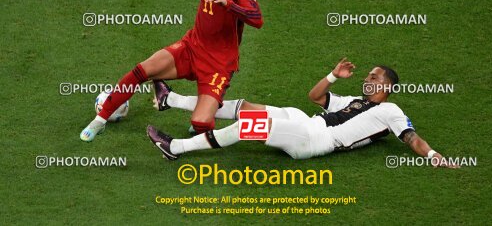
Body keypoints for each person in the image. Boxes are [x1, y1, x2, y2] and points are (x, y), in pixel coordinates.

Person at [80, 0, 263, 142]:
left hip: (218, 64)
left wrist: (228, 4)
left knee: (201, 123)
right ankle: (99, 120)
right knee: (141, 71)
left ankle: (188, 108)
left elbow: (257, 18)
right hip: (191, 47)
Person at [146, 58, 459, 168]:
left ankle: (175, 148)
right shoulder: (354, 100)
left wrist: (434, 156)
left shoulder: (389, 110)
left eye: (374, 78)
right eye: (368, 75)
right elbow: (315, 97)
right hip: (306, 122)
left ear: (387, 85)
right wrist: (334, 75)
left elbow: (411, 137)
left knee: (247, 126)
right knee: (246, 108)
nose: (368, 79)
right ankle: (170, 100)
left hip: (313, 141)